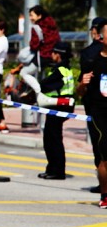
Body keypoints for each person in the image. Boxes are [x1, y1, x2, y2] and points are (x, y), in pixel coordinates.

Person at [37, 42, 75, 180]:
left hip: (59, 106)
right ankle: (52, 169)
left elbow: (45, 85)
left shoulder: (59, 71)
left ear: (58, 55)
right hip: (60, 106)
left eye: (53, 52)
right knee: (51, 137)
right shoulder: (64, 69)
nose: (51, 55)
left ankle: (57, 171)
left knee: (53, 139)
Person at [14, 5, 62, 107]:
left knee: (24, 72)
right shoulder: (52, 25)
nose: (30, 18)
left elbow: (34, 45)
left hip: (43, 56)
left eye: (32, 15)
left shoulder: (36, 28)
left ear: (39, 16)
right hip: (52, 56)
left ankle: (38, 92)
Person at [79, 17, 105, 193]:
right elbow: (81, 88)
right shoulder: (91, 56)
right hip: (98, 108)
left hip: (96, 108)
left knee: (101, 148)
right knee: (102, 148)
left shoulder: (89, 53)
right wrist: (83, 84)